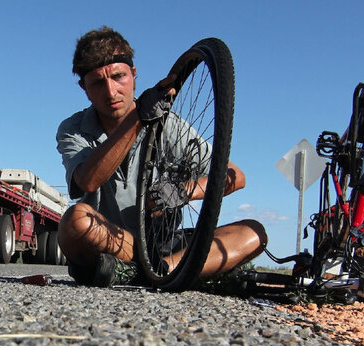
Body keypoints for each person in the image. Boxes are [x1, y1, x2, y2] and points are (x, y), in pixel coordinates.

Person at [56, 26, 267, 287]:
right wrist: (138, 118)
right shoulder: (73, 129)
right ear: (84, 88)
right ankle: (181, 272)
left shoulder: (169, 126)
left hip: (164, 245)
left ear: (133, 74)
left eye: (119, 77)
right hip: (110, 239)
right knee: (75, 222)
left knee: (254, 232)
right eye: (98, 82)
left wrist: (184, 190)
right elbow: (87, 181)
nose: (111, 92)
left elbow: (236, 176)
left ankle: (161, 270)